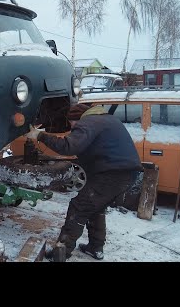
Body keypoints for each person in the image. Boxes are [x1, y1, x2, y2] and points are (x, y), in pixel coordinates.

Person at [26, 103, 142, 261]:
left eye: (72, 123)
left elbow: (69, 146)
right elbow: (99, 148)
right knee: (95, 208)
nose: (72, 127)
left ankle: (61, 253)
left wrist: (40, 136)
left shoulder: (88, 123)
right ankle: (96, 248)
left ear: (77, 118)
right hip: (126, 174)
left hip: (111, 176)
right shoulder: (107, 120)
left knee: (79, 207)